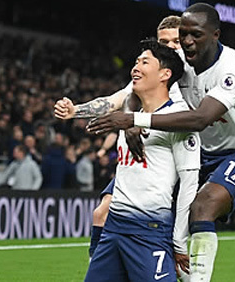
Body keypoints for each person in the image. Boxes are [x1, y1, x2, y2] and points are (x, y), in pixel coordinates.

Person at [54, 14, 235, 262]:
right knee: (103, 212)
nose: (171, 46)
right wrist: (76, 111)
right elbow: (121, 97)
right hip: (163, 150)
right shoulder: (160, 70)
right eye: (164, 42)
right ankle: (98, 271)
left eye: (176, 41)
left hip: (194, 149)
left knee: (192, 215)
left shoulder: (193, 68)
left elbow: (224, 90)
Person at [85, 39, 199, 282]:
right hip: (114, 229)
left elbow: (189, 184)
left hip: (149, 232)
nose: (135, 67)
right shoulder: (128, 121)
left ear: (165, 74)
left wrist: (179, 241)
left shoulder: (179, 122)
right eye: (136, 62)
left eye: (145, 62)